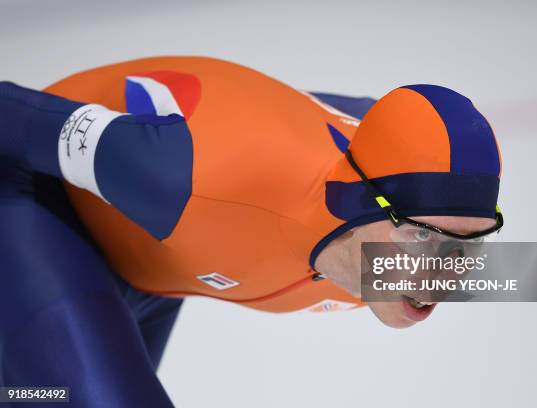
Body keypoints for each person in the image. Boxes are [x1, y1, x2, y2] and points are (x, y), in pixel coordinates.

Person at [0, 56, 502, 406]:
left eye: (470, 243)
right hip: (42, 201)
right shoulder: (188, 176)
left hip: (156, 265)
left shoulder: (408, 251)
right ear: (366, 206)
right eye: (424, 238)